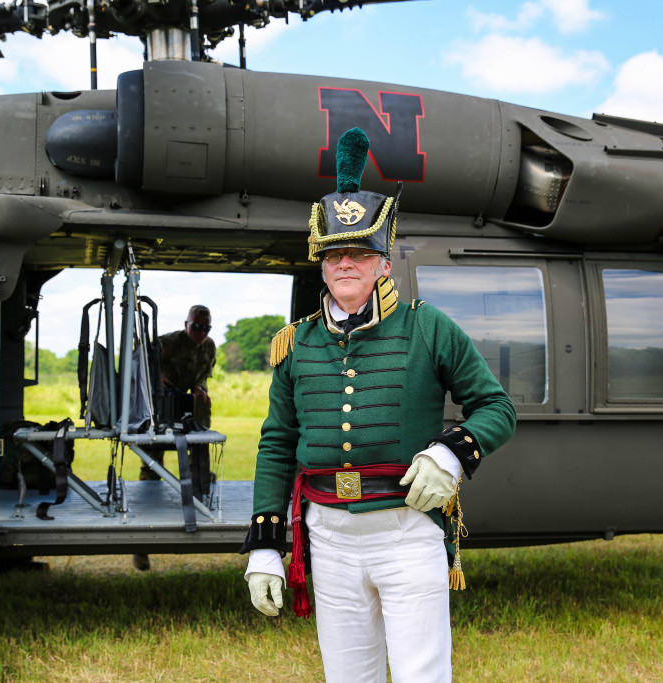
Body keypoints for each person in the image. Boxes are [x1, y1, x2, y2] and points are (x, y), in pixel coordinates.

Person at [239, 128, 516, 681]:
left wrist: (450, 454)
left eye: (360, 253)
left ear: (383, 262)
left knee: (420, 675)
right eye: (334, 253)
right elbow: (276, 443)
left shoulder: (427, 327)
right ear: (320, 264)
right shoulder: (296, 343)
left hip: (406, 529)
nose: (346, 263)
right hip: (328, 534)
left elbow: (496, 407)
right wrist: (265, 547)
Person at [132, 304, 217, 571]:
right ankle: (141, 543)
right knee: (151, 463)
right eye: (196, 327)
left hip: (189, 404)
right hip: (162, 404)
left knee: (199, 449)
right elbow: (139, 362)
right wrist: (157, 377)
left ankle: (198, 490)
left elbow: (205, 373)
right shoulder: (167, 343)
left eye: (206, 328)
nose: (201, 333)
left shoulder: (208, 346)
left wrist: (200, 387)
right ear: (186, 324)